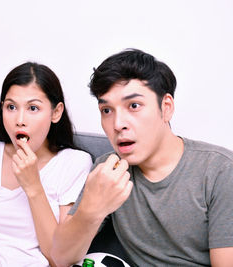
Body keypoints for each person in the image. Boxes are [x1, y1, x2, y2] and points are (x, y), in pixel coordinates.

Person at [51, 48, 233, 266]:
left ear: (166, 108)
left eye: (134, 106)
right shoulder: (109, 170)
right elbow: (61, 258)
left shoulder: (220, 171)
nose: (118, 124)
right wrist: (91, 208)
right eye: (106, 110)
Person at [0, 62, 93, 266]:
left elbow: (58, 258)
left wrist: (33, 186)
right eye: (11, 107)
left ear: (56, 112)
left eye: (33, 108)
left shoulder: (73, 163)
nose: (19, 120)